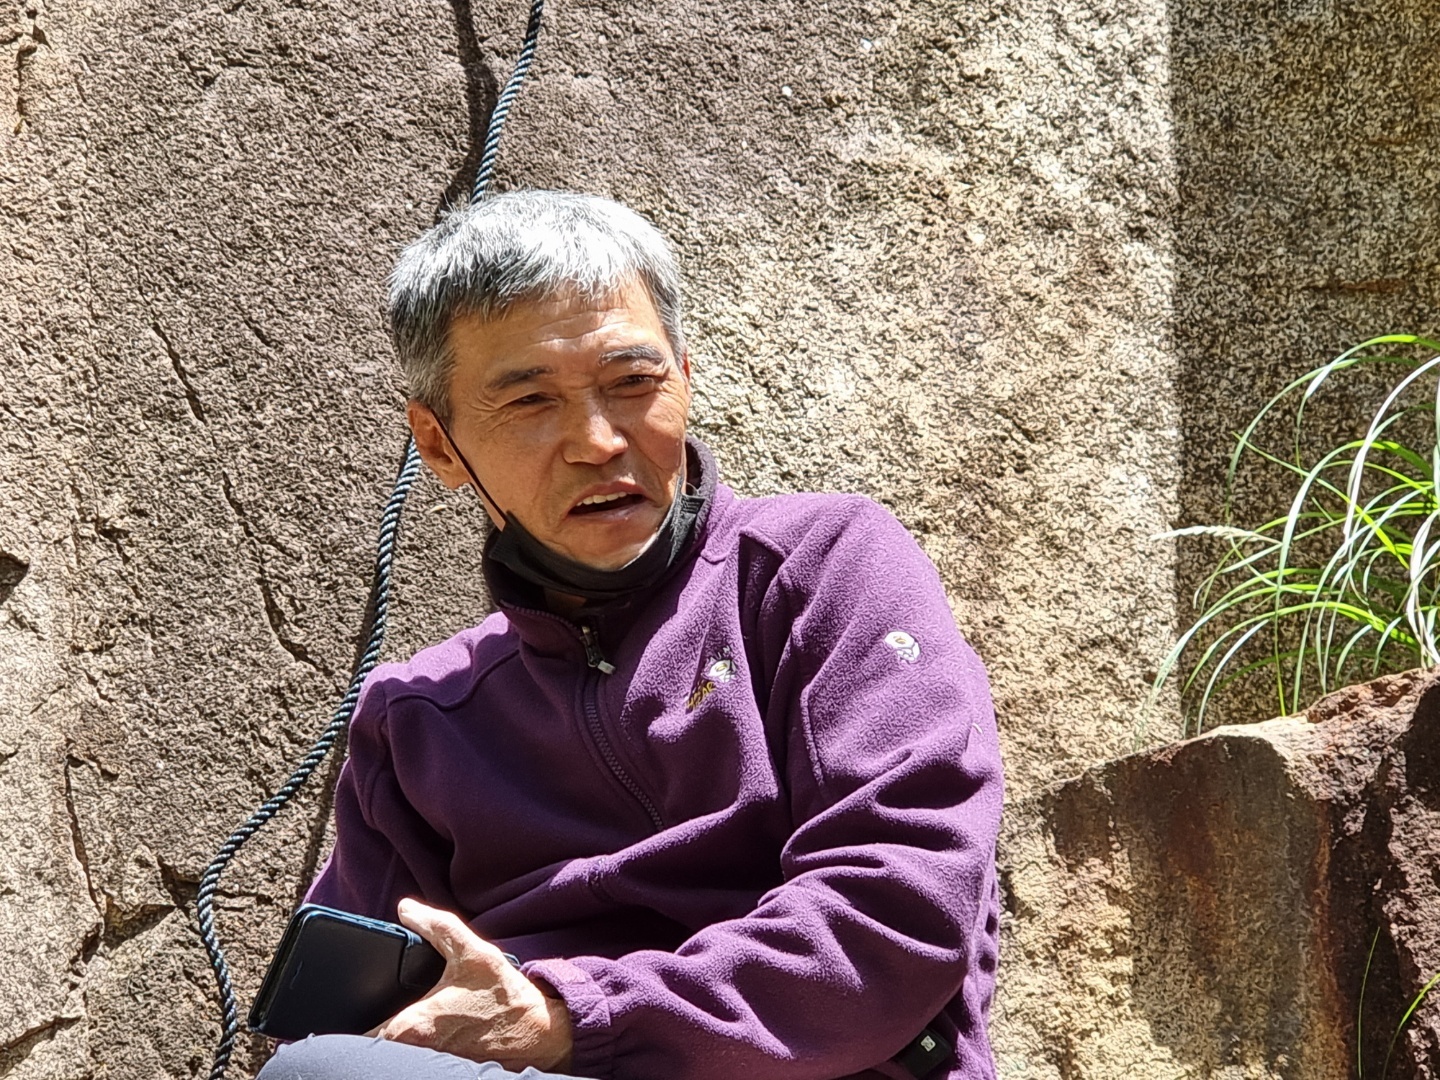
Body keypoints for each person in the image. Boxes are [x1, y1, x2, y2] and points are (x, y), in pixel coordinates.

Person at [257, 190, 1004, 1080]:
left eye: (633, 384)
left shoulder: (819, 570)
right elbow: (348, 1017)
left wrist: (571, 1014)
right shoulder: (419, 719)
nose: (598, 441)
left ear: (683, 378)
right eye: (530, 400)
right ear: (439, 444)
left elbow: (901, 908)